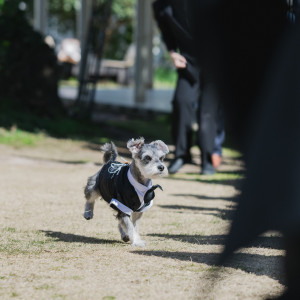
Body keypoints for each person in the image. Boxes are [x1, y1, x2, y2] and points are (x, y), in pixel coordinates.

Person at [152, 0, 225, 175]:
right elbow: (166, 33)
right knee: (180, 102)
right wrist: (172, 53)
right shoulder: (161, 6)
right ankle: (182, 155)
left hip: (215, 61)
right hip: (188, 63)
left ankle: (207, 160)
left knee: (206, 113)